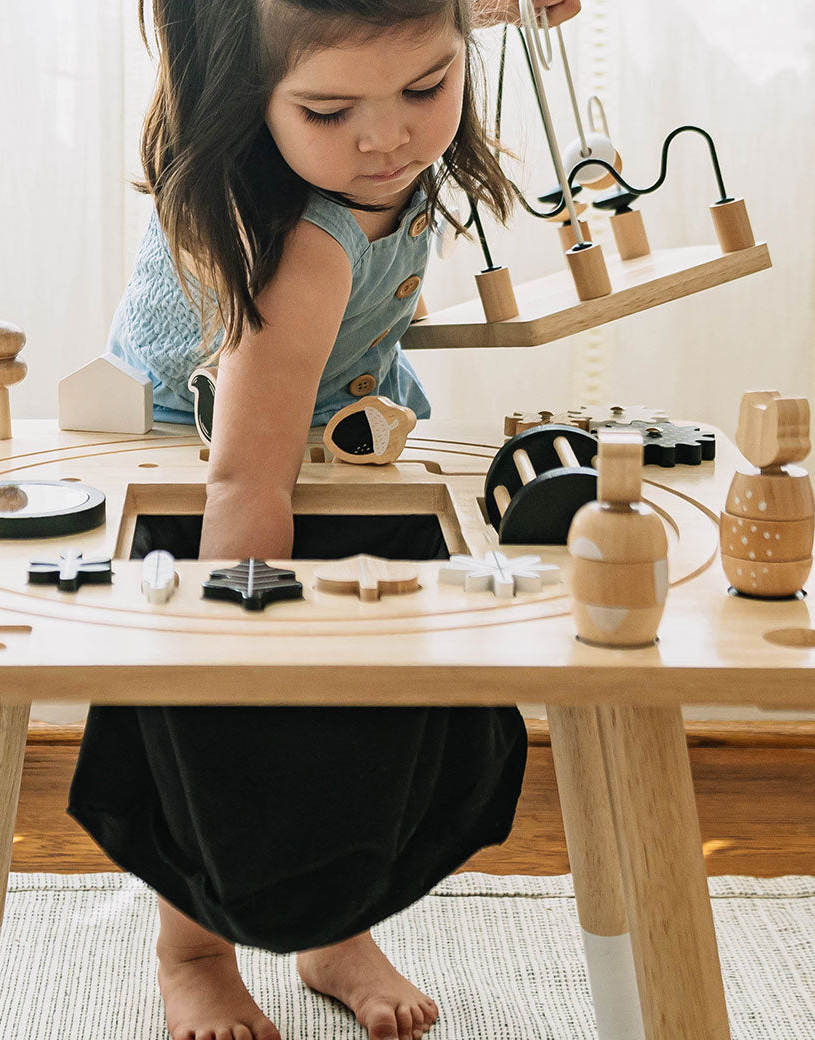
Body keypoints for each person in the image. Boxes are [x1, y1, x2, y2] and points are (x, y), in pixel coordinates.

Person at [68, 2, 581, 1039]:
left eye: (426, 90)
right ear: (248, 102)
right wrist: (244, 629)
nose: (386, 136)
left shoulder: (378, 129)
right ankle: (193, 951)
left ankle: (336, 932)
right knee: (220, 751)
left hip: (333, 428)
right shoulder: (301, 245)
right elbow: (240, 474)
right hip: (211, 468)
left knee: (371, 730)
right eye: (331, 109)